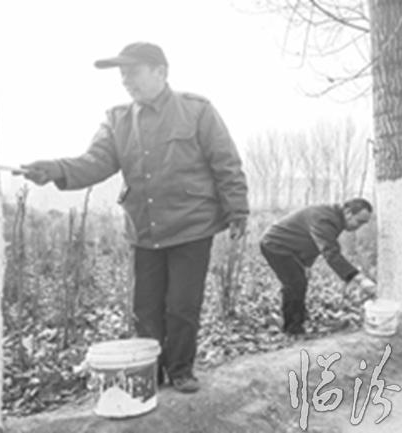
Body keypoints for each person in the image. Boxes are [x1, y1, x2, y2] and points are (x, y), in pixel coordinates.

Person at [19, 42, 249, 393]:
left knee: (182, 305)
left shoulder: (197, 110)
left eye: (133, 72)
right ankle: (150, 371)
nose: (126, 80)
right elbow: (95, 162)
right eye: (122, 75)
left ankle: (181, 369)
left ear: (161, 72)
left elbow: (226, 162)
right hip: (144, 228)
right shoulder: (117, 120)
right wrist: (56, 169)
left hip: (192, 225)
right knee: (145, 308)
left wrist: (237, 209)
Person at [259, 199, 376, 335]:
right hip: (275, 244)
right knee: (295, 283)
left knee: (299, 282)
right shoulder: (325, 219)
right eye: (359, 221)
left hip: (291, 247)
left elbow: (313, 243)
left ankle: (297, 320)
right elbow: (330, 252)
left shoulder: (335, 218)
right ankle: (292, 329)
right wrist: (359, 278)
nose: (359, 227)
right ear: (348, 212)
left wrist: (306, 265)